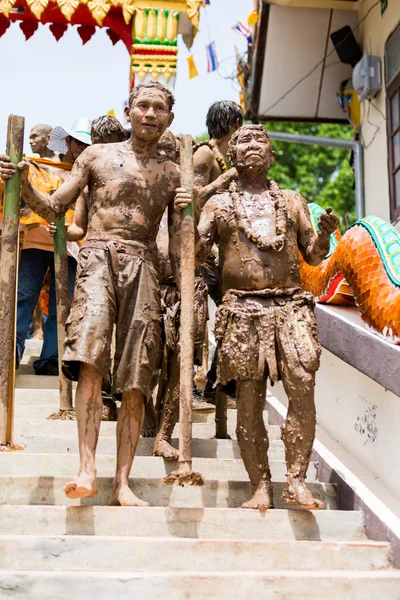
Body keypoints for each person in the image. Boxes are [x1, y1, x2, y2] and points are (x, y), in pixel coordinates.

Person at [4, 81, 189, 506]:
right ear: (128, 112)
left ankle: (122, 483)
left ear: (169, 119)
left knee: (136, 377)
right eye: (141, 105)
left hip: (143, 265)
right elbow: (54, 207)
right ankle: (87, 469)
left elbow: (181, 247)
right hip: (96, 260)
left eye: (158, 108)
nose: (148, 113)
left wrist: (189, 209)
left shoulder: (173, 173)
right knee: (89, 362)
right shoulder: (96, 155)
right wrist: (24, 183)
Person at [189, 124, 339, 510]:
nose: (252, 146)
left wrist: (323, 236)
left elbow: (314, 255)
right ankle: (260, 485)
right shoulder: (219, 205)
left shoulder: (291, 200)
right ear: (232, 157)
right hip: (241, 309)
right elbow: (194, 251)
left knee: (302, 391)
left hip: (291, 307)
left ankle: (296, 481)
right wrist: (187, 221)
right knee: (250, 400)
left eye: (260, 142)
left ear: (272, 156)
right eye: (243, 142)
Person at [0, 119, 91, 375]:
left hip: (71, 247)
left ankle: (51, 357)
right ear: (68, 142)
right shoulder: (39, 166)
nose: (81, 148)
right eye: (78, 142)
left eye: (86, 144)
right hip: (35, 242)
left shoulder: (89, 173)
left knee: (62, 303)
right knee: (23, 295)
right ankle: (9, 352)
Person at [192, 101, 243, 409]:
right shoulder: (205, 154)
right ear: (232, 124)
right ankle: (196, 388)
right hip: (203, 250)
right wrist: (227, 177)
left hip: (225, 251)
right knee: (200, 320)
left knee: (233, 315)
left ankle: (215, 381)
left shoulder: (227, 157)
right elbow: (194, 197)